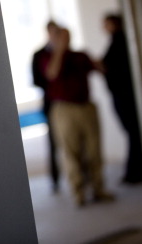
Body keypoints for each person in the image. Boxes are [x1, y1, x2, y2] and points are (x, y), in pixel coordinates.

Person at [44, 27, 114, 207]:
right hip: (64, 109)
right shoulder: (46, 56)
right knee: (71, 151)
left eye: (68, 36)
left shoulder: (80, 55)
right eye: (62, 37)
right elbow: (52, 74)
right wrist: (59, 50)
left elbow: (101, 69)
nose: (66, 40)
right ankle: (78, 192)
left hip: (86, 106)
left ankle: (98, 188)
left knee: (93, 149)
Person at [102, 14, 142, 184]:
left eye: (106, 24)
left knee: (133, 132)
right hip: (124, 95)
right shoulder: (117, 41)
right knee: (133, 133)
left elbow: (114, 68)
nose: (103, 28)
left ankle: (134, 173)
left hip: (125, 96)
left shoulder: (120, 41)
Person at [32, 21, 61, 192]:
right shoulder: (39, 55)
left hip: (67, 103)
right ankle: (55, 180)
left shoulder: (66, 52)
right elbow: (38, 79)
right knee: (53, 143)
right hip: (51, 102)